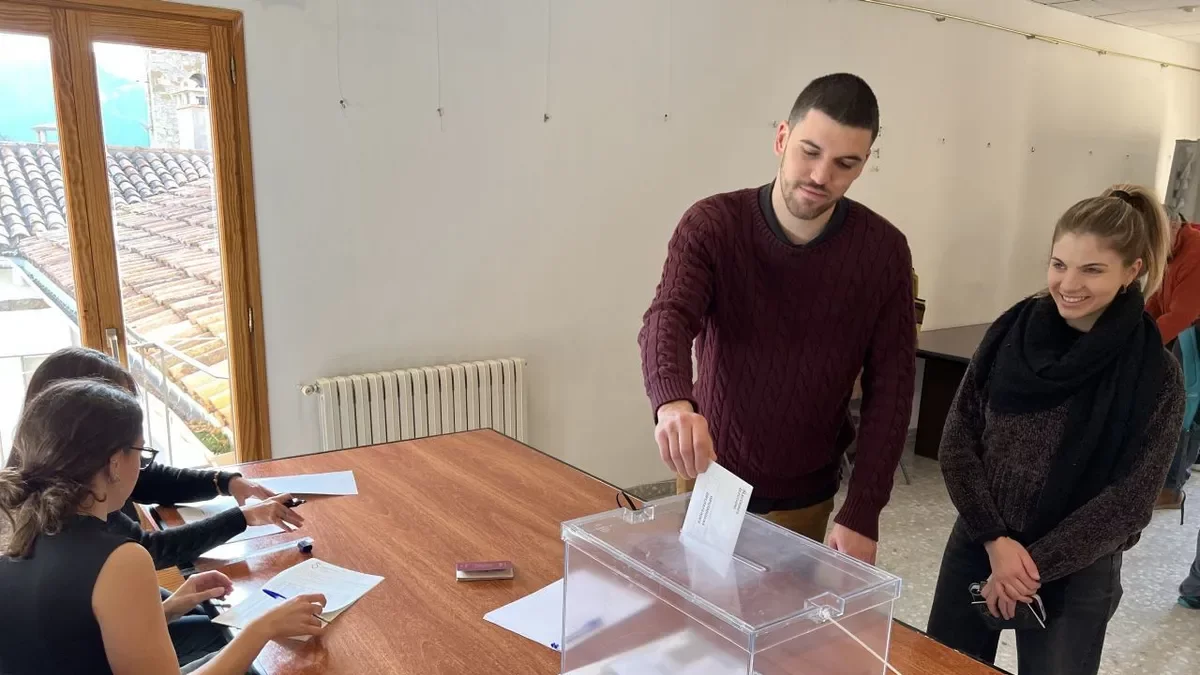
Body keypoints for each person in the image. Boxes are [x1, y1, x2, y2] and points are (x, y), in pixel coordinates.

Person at [638, 73, 915, 564]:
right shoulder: (713, 225)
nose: (820, 175)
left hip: (806, 489)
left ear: (863, 165)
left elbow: (891, 387)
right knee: (699, 615)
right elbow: (669, 316)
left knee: (786, 633)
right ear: (782, 137)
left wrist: (863, 510)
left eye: (844, 163)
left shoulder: (883, 252)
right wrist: (674, 404)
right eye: (809, 151)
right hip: (711, 473)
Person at [925, 185, 1184, 675]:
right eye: (1059, 264)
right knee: (943, 667)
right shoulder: (1010, 334)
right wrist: (997, 544)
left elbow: (1130, 500)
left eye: (1092, 269)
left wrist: (1029, 569)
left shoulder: (1155, 372)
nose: (1069, 283)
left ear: (1133, 271)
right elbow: (958, 441)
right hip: (981, 541)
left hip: (1078, 567)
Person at [0, 378, 327, 674]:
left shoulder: (18, 529)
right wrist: (262, 628)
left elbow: (73, 641)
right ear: (115, 463)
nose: (142, 468)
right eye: (141, 454)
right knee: (268, 663)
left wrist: (167, 609)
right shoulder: (119, 560)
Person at [1150, 207, 1200, 511]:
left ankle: (1171, 488)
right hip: (1188, 331)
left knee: (1187, 406)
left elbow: (1181, 314)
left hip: (1193, 329)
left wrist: (1141, 344)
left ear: (1172, 225)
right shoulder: (1170, 253)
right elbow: (1158, 301)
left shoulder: (1196, 252)